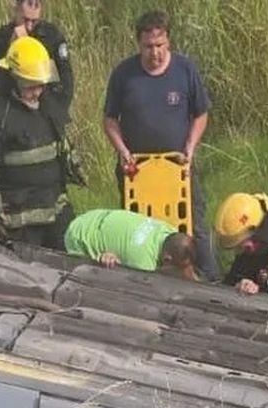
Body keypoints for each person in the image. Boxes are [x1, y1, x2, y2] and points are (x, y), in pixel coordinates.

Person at [102, 9, 220, 281]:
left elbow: (201, 114)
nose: (154, 53)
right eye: (148, 47)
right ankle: (141, 276)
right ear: (138, 44)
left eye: (159, 46)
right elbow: (109, 119)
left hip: (178, 165)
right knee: (138, 226)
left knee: (195, 224)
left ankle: (211, 280)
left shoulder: (184, 70)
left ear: (168, 42)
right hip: (137, 169)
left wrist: (190, 147)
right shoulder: (124, 74)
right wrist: (122, 151)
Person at [0, 36, 73, 249]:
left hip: (56, 211)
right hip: (20, 224)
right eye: (30, 85)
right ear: (13, 78)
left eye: (41, 85)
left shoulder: (48, 105)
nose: (37, 91)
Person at [65, 209, 197, 280]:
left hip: (94, 215)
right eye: (177, 267)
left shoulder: (169, 230)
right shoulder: (143, 264)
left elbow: (187, 268)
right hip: (79, 235)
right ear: (167, 259)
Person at [0, 0, 73, 109]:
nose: (29, 26)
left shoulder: (52, 37)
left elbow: (66, 83)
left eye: (34, 21)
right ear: (16, 10)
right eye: (25, 20)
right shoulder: (2, 37)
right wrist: (11, 51)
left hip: (46, 107)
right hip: (13, 105)